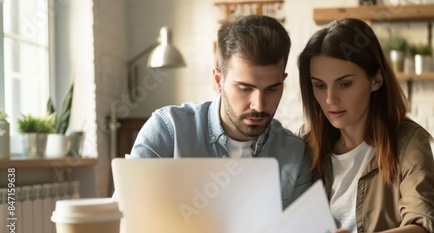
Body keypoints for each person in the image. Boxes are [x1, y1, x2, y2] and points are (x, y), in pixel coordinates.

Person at [298, 18, 434, 233]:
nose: (330, 99)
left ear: (376, 80)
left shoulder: (408, 142)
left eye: (344, 84)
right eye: (319, 86)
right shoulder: (307, 144)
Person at [128, 15, 312, 209]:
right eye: (245, 88)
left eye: (272, 89)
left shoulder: (295, 153)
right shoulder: (168, 131)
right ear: (218, 80)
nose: (259, 105)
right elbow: (124, 215)